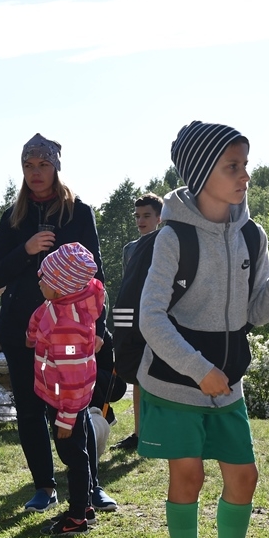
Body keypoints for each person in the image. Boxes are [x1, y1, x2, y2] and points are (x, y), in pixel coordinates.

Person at [138, 122, 269, 538]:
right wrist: (198, 369)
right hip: (173, 382)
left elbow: (254, 313)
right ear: (201, 172)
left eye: (245, 165)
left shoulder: (254, 236)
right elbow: (150, 317)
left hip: (226, 384)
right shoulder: (172, 237)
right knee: (188, 477)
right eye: (233, 166)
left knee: (244, 477)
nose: (245, 176)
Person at [0, 133, 117, 514]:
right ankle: (44, 486)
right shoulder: (12, 219)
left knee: (75, 407)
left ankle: (90, 487)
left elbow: (98, 277)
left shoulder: (79, 213)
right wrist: (25, 251)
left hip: (71, 331)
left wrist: (99, 330)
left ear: (56, 166)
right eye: (28, 166)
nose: (35, 173)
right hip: (22, 331)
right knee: (29, 410)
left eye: (42, 165)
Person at [26, 242, 104, 534]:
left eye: (44, 278)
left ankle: (77, 517)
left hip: (66, 401)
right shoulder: (60, 304)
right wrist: (32, 334)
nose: (39, 280)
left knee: (73, 456)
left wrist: (66, 418)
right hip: (62, 397)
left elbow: (74, 376)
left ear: (60, 287)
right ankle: (84, 506)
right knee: (76, 452)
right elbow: (41, 314)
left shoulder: (68, 325)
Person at [112, 192, 163, 451]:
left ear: (159, 218)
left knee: (156, 377)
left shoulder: (165, 244)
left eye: (146, 216)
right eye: (137, 216)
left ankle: (158, 433)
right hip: (131, 321)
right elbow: (127, 287)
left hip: (157, 318)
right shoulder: (129, 249)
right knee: (136, 376)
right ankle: (138, 433)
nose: (141, 221)